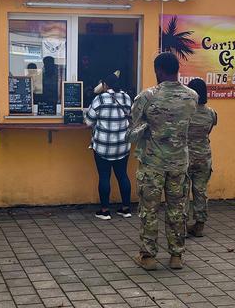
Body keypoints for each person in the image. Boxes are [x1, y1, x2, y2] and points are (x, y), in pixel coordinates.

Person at [127, 52, 198, 271]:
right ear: (177, 69)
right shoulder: (192, 95)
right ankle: (176, 256)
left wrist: (149, 128)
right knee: (178, 208)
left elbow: (132, 133)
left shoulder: (147, 96)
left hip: (153, 164)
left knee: (149, 209)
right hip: (179, 163)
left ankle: (148, 257)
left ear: (158, 70)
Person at [85, 71, 133, 220]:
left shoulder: (100, 99)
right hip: (122, 145)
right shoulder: (126, 97)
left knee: (104, 176)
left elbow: (89, 121)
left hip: (103, 146)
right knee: (123, 175)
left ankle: (105, 211)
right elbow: (131, 116)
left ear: (105, 85)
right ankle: (125, 209)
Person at [185, 78, 218, 238]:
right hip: (204, 156)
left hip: (185, 157)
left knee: (182, 192)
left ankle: (181, 225)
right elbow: (209, 131)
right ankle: (199, 225)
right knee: (200, 191)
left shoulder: (185, 112)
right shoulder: (211, 113)